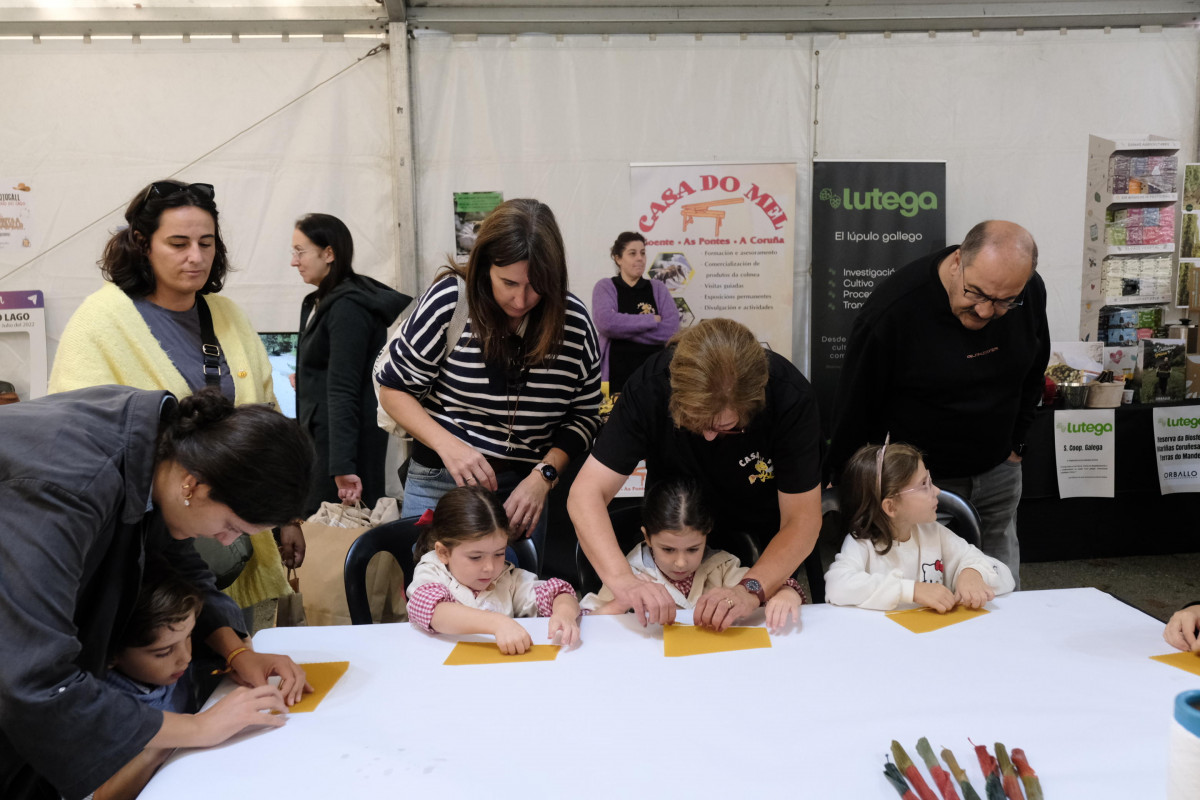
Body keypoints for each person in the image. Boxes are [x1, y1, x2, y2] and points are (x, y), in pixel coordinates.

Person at [0, 386, 315, 800]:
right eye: (232, 527)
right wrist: (197, 727)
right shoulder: (65, 488)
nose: (225, 541)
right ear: (195, 486)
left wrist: (237, 651)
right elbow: (33, 675)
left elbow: (179, 562)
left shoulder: (160, 450)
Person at [47, 179, 301, 619]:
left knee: (247, 664)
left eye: (207, 243)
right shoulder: (101, 320)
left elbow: (265, 417)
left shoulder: (226, 314)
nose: (196, 257)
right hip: (149, 557)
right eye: (179, 243)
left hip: (238, 544)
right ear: (142, 244)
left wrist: (282, 517)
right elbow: (75, 443)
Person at [825, 220, 1049, 588]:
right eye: (975, 293)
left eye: (1004, 301)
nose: (985, 312)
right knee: (927, 591)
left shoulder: (1028, 292)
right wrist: (860, 491)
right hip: (921, 486)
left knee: (998, 584)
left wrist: (1018, 445)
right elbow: (854, 409)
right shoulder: (894, 310)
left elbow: (1034, 369)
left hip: (999, 471)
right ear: (958, 260)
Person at [375, 198, 601, 562]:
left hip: (522, 493)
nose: (520, 298)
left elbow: (585, 416)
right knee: (430, 600)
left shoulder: (573, 323)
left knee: (511, 602)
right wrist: (449, 446)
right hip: (440, 480)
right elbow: (393, 389)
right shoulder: (452, 301)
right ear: (484, 266)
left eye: (536, 285)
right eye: (508, 282)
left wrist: (543, 476)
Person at [568, 317, 823, 631]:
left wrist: (751, 589)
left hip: (763, 539)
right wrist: (624, 581)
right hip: (679, 523)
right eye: (695, 423)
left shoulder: (790, 397)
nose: (710, 438)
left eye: (728, 428)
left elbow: (803, 519)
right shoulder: (651, 387)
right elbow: (585, 494)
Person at [93, 565, 279, 800]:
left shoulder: (164, 669)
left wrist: (230, 663)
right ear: (110, 655)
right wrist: (164, 743)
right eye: (163, 652)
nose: (185, 658)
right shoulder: (96, 707)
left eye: (189, 636)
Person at [289, 212, 410, 513]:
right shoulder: (320, 301)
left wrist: (342, 466)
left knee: (334, 537)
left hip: (342, 448)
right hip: (325, 441)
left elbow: (344, 389)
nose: (294, 261)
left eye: (300, 252)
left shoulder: (348, 307)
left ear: (328, 253)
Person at [580, 478, 804, 632]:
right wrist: (620, 604)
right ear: (647, 538)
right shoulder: (628, 573)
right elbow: (589, 622)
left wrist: (786, 595)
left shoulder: (722, 567)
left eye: (693, 549)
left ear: (707, 535)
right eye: (668, 549)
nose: (681, 562)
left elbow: (767, 588)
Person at [824, 440, 1015, 611]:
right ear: (891, 506)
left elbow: (1004, 575)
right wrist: (911, 590)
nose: (937, 490)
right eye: (924, 484)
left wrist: (973, 573)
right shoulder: (862, 543)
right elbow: (836, 585)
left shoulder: (934, 533)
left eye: (930, 480)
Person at [406, 486, 581, 655]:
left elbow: (557, 592)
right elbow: (434, 611)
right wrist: (497, 623)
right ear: (443, 552)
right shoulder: (432, 571)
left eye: (499, 553)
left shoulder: (507, 578)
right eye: (475, 557)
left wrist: (564, 613)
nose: (490, 567)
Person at [591, 231, 680, 399]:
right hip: (616, 378)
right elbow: (605, 323)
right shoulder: (605, 287)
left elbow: (672, 329)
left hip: (654, 377)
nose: (640, 258)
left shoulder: (658, 288)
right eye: (632, 253)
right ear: (618, 259)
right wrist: (651, 320)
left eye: (643, 253)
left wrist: (622, 331)